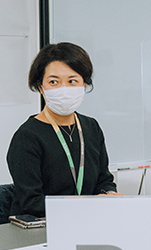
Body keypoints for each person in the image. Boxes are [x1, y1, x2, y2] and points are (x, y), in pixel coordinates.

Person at [7, 42, 119, 217]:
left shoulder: (91, 127)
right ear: (40, 87)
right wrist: (81, 205)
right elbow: (30, 202)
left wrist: (109, 194)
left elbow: (103, 180)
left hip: (87, 221)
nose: (64, 89)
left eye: (72, 81)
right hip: (41, 229)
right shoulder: (27, 136)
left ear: (84, 85)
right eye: (53, 82)